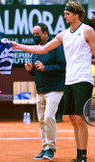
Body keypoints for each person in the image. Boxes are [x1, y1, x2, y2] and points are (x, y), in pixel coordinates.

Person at [10, 1, 95, 162]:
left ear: (76, 14)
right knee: (73, 118)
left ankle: (83, 156)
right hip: (69, 81)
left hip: (83, 79)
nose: (65, 15)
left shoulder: (88, 31)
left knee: (80, 118)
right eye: (65, 13)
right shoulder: (63, 34)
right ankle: (79, 154)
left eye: (67, 13)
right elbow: (42, 49)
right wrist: (19, 46)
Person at [25, 23, 65, 161]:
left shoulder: (56, 46)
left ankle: (51, 149)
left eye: (38, 34)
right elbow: (37, 71)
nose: (35, 37)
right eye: (34, 34)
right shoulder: (36, 49)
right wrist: (31, 70)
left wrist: (45, 68)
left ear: (46, 34)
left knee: (48, 117)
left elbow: (62, 66)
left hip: (54, 88)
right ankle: (45, 147)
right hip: (40, 89)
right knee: (42, 121)